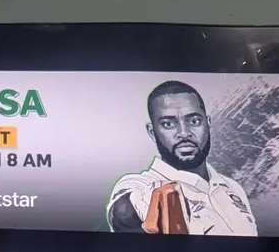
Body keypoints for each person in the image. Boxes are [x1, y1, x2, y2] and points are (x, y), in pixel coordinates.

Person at [107, 80, 257, 236]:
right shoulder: (138, 184)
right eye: (168, 124)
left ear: (208, 123)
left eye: (194, 121)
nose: (184, 133)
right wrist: (155, 202)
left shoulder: (233, 187)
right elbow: (123, 213)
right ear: (152, 132)